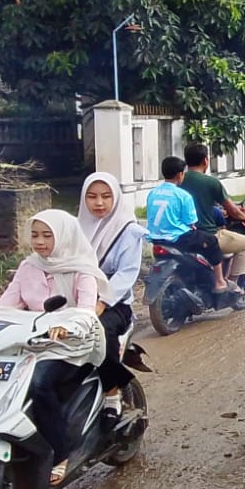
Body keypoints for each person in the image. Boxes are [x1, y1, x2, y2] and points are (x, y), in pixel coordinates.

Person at [0, 210, 111, 486]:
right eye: (35, 235)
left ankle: (61, 452)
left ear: (64, 236)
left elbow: (86, 311)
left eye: (47, 235)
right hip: (34, 341)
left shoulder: (82, 270)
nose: (39, 242)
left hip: (73, 345)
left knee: (38, 384)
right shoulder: (28, 267)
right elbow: (5, 305)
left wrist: (67, 326)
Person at [77, 171, 146, 428]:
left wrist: (101, 303)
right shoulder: (75, 230)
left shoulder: (129, 231)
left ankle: (112, 394)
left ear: (115, 198)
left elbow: (126, 274)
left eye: (106, 196)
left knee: (98, 335)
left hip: (114, 305)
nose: (99, 203)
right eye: (92, 196)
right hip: (77, 301)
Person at [144, 156, 235, 297]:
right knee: (211, 241)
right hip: (177, 239)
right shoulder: (183, 195)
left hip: (155, 238)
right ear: (180, 174)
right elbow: (191, 223)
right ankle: (219, 281)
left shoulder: (152, 193)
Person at [181, 142, 245, 286]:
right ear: (205, 161)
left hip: (183, 235)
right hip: (207, 235)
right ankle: (231, 284)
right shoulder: (212, 183)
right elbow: (233, 211)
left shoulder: (179, 180)